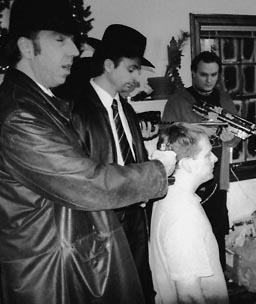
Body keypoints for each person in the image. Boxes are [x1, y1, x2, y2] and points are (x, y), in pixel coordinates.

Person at [0, 1, 175, 303]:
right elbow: (87, 181)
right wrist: (160, 169)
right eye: (60, 39)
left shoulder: (43, 103)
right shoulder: (21, 115)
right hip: (48, 271)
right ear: (26, 47)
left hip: (77, 253)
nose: (75, 51)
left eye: (73, 40)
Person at [68, 24, 159, 304]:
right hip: (102, 222)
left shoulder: (126, 109)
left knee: (140, 288)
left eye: (139, 71)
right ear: (108, 65)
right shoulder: (77, 110)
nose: (137, 78)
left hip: (135, 217)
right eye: (132, 69)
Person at [162, 51, 241, 271]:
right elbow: (168, 139)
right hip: (187, 176)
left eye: (214, 75)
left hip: (216, 175)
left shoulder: (224, 99)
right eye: (204, 75)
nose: (209, 80)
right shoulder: (178, 100)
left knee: (216, 226)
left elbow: (236, 137)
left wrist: (230, 138)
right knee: (191, 228)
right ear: (193, 74)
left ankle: (218, 276)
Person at [149, 123, 228, 304]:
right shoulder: (185, 217)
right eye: (207, 154)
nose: (215, 158)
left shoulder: (166, 195)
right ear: (187, 165)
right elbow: (189, 295)